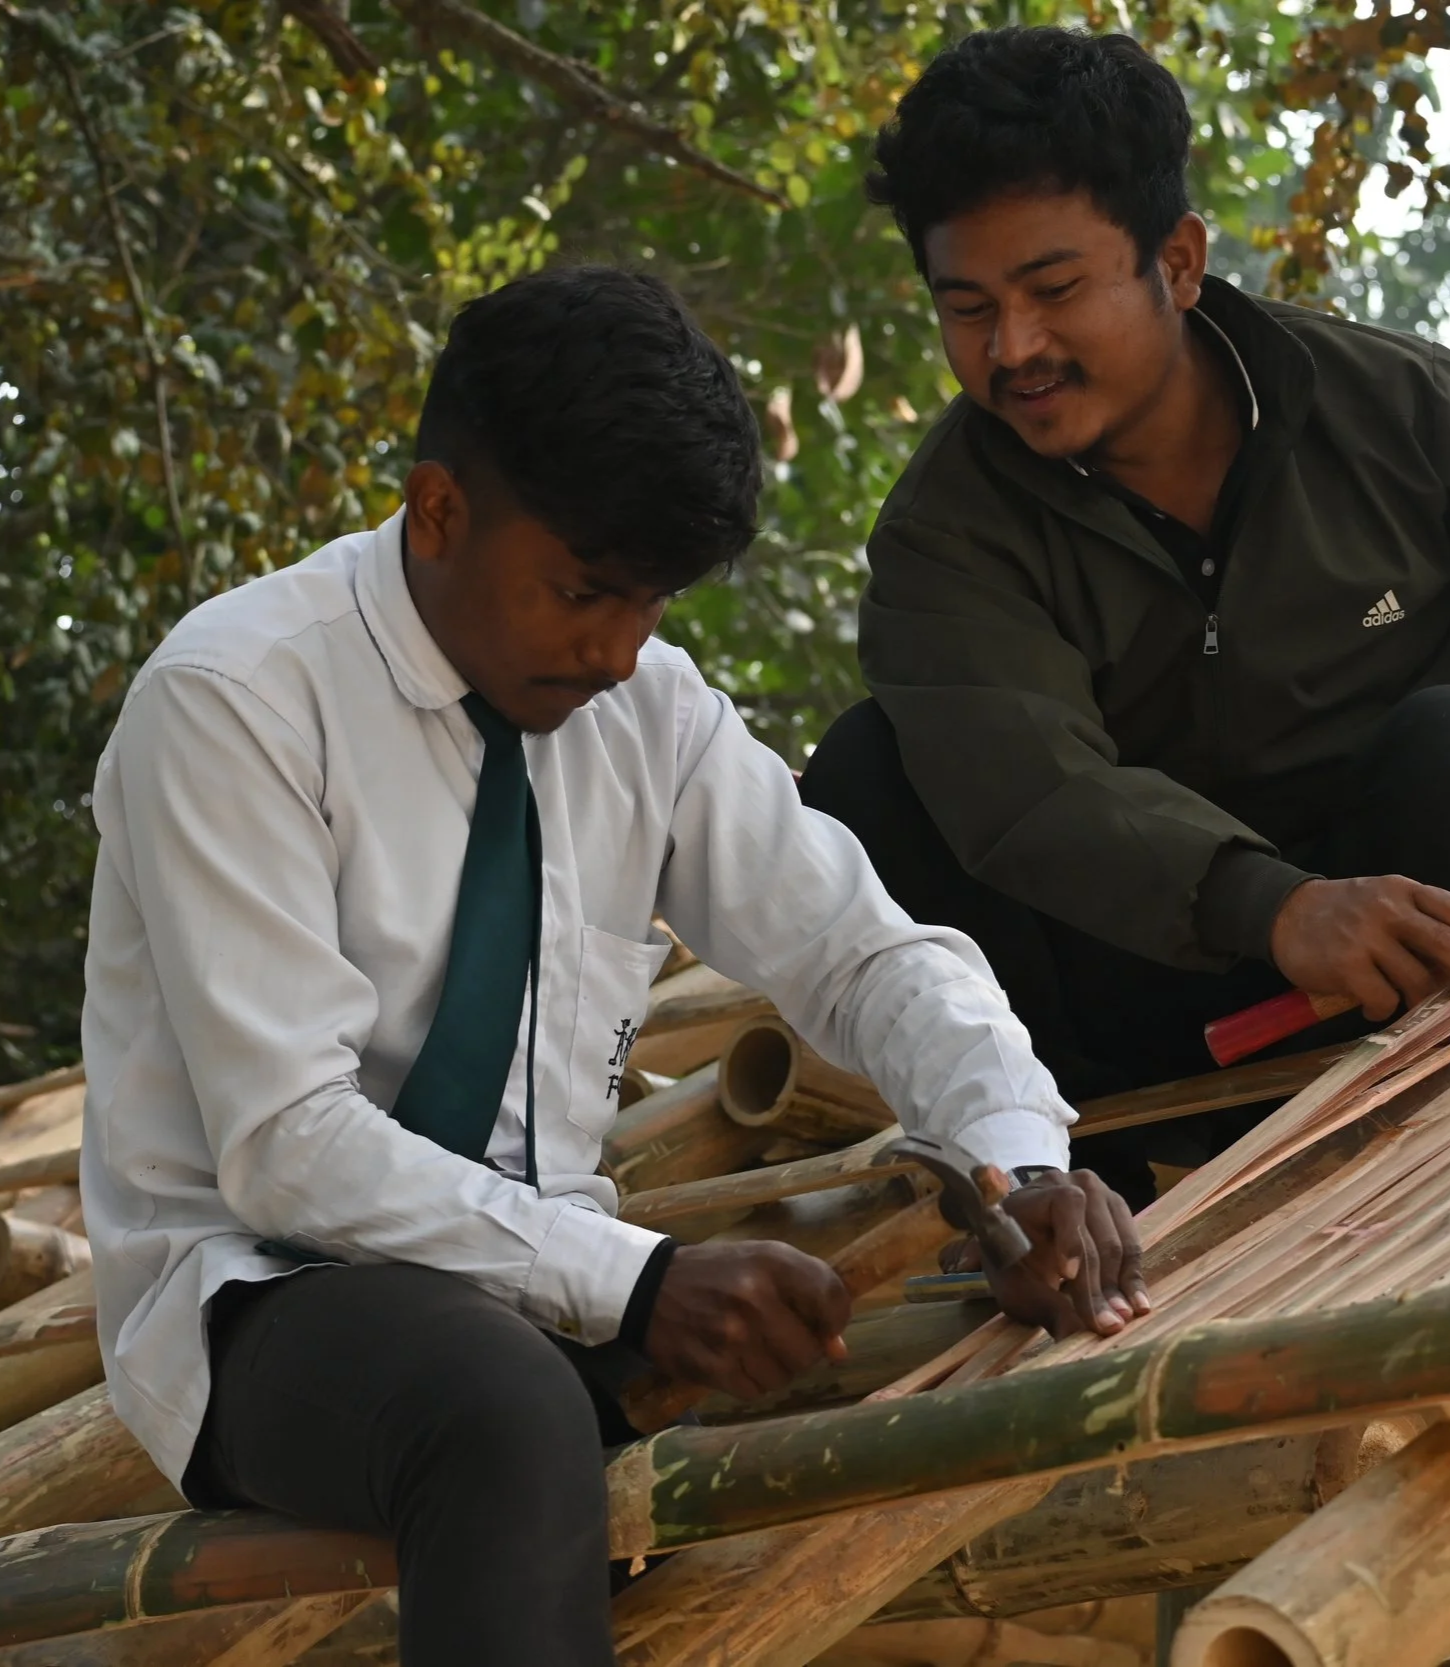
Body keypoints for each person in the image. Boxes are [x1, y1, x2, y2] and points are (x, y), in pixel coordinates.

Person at [79, 268, 1144, 1666]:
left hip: (550, 1277)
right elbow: (289, 1148)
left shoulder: (648, 709)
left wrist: (1021, 1158)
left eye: (649, 601)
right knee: (505, 1407)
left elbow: (867, 951)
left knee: (861, 1356)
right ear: (438, 508)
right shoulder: (232, 700)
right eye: (583, 591)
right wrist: (637, 1282)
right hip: (265, 1294)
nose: (617, 647)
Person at [796, 28, 1450, 1206]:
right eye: (967, 308)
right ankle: (1079, 1192)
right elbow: (1030, 792)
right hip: (1122, 1030)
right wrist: (1272, 905)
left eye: (1052, 291)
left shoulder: (1384, 399)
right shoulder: (943, 534)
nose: (1011, 350)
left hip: (1408, 963)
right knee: (865, 769)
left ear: (1177, 262)